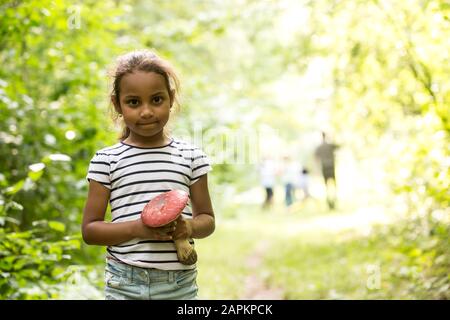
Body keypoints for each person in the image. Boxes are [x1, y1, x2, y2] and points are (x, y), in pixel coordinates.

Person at [82, 50, 215, 300]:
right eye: (134, 102)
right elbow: (90, 231)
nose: (146, 112)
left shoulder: (191, 156)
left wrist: (188, 227)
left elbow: (207, 219)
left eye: (156, 99)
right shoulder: (106, 161)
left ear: (171, 98)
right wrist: (137, 229)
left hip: (178, 284)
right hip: (124, 281)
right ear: (117, 104)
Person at [314, 131, 339, 209]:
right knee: (334, 185)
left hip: (324, 167)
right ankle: (333, 201)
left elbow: (316, 157)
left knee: (327, 186)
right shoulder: (330, 145)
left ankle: (330, 201)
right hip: (331, 167)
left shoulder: (319, 147)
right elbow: (338, 146)